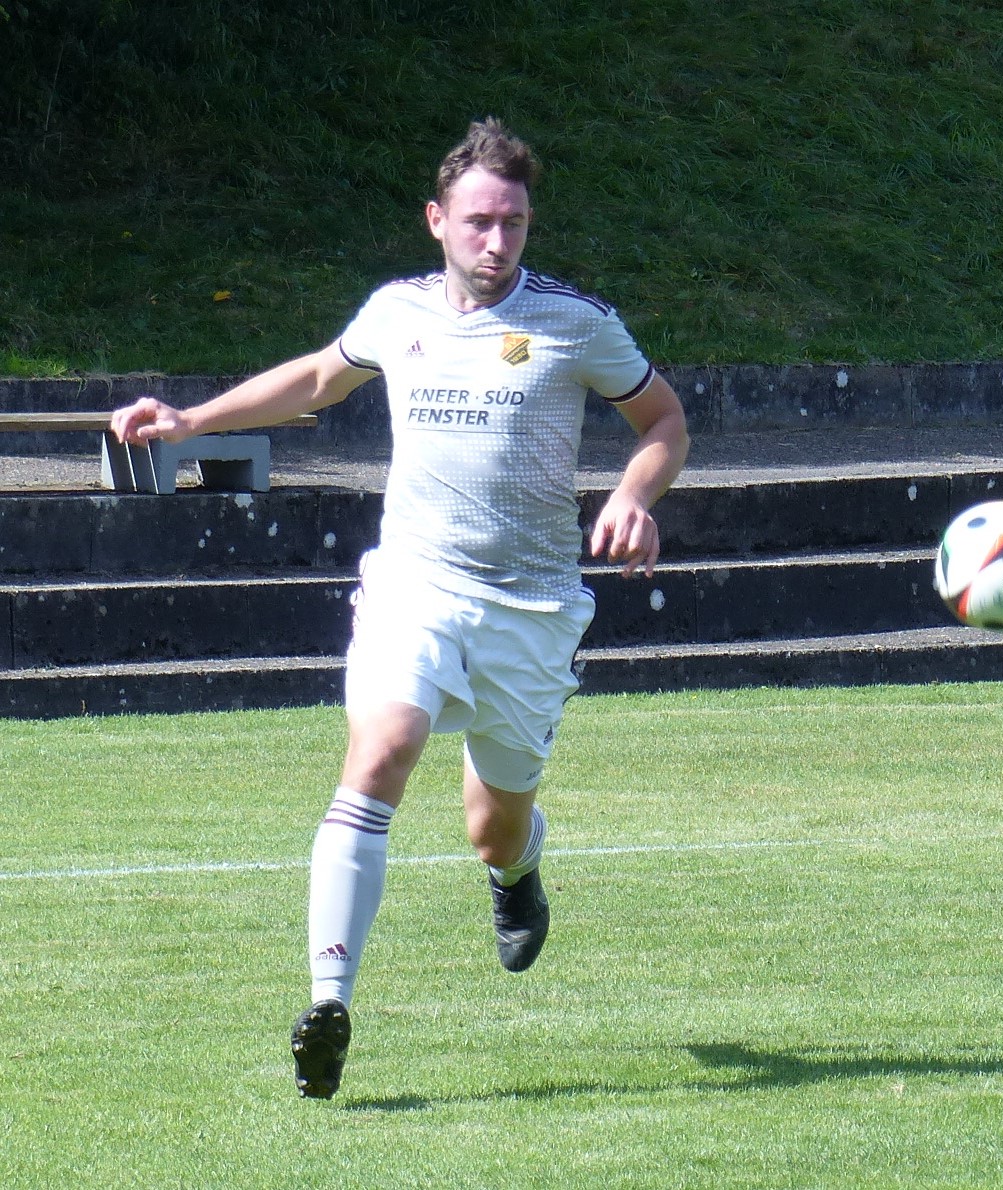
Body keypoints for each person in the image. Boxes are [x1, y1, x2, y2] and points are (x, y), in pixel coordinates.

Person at [110, 117, 689, 1100]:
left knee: (492, 827)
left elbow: (663, 419)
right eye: (478, 222)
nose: (496, 242)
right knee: (382, 750)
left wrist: (634, 494)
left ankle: (517, 872)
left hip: (532, 609)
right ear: (436, 220)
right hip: (415, 587)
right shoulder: (395, 312)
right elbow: (317, 376)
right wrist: (191, 419)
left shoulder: (575, 323)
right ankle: (327, 1003)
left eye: (512, 223)